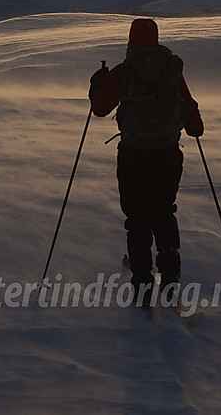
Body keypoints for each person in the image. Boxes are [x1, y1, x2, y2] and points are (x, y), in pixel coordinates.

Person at [88, 18, 203, 296]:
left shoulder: (123, 72)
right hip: (168, 154)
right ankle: (170, 267)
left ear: (130, 39)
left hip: (133, 154)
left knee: (137, 216)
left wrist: (97, 85)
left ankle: (142, 277)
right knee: (163, 208)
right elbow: (194, 123)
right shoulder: (172, 71)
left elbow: (101, 109)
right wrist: (192, 127)